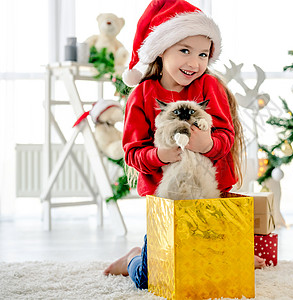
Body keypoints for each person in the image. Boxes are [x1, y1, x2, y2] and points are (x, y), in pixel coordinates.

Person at [103, 0, 266, 289]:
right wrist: (160, 155)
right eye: (185, 51)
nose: (194, 63)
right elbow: (132, 152)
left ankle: (235, 254)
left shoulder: (210, 87)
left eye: (203, 54)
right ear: (161, 50)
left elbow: (226, 136)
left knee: (213, 265)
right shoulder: (141, 94)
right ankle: (133, 259)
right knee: (150, 278)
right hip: (168, 201)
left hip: (209, 196)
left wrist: (208, 144)